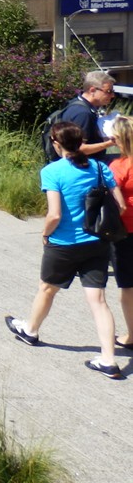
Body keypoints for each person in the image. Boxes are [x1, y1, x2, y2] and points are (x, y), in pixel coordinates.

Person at [5, 121, 126, 379]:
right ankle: (108, 360)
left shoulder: (52, 171)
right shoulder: (100, 168)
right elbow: (120, 205)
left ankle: (30, 331)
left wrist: (45, 233)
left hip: (64, 244)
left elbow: (55, 214)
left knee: (47, 289)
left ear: (56, 143)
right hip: (96, 243)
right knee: (99, 301)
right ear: (81, 142)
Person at [105, 115, 133, 352]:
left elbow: (114, 201)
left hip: (126, 231)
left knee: (128, 286)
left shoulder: (119, 166)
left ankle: (131, 335)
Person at [54, 70, 117, 161]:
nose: (112, 95)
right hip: (85, 164)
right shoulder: (83, 113)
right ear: (92, 90)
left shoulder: (76, 103)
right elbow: (79, 149)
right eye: (109, 91)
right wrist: (111, 143)